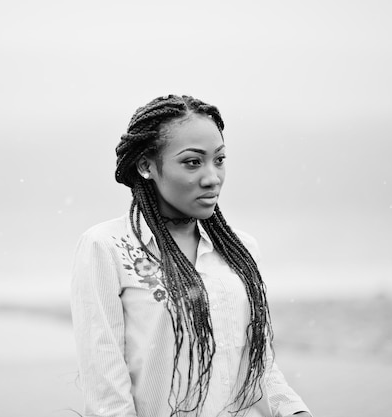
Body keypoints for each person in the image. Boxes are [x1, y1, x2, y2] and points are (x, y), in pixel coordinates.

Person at [70, 95, 312, 417]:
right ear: (146, 166)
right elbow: (107, 393)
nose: (212, 177)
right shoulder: (107, 247)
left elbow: (260, 368)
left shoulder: (240, 250)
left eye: (220, 160)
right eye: (192, 162)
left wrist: (295, 411)